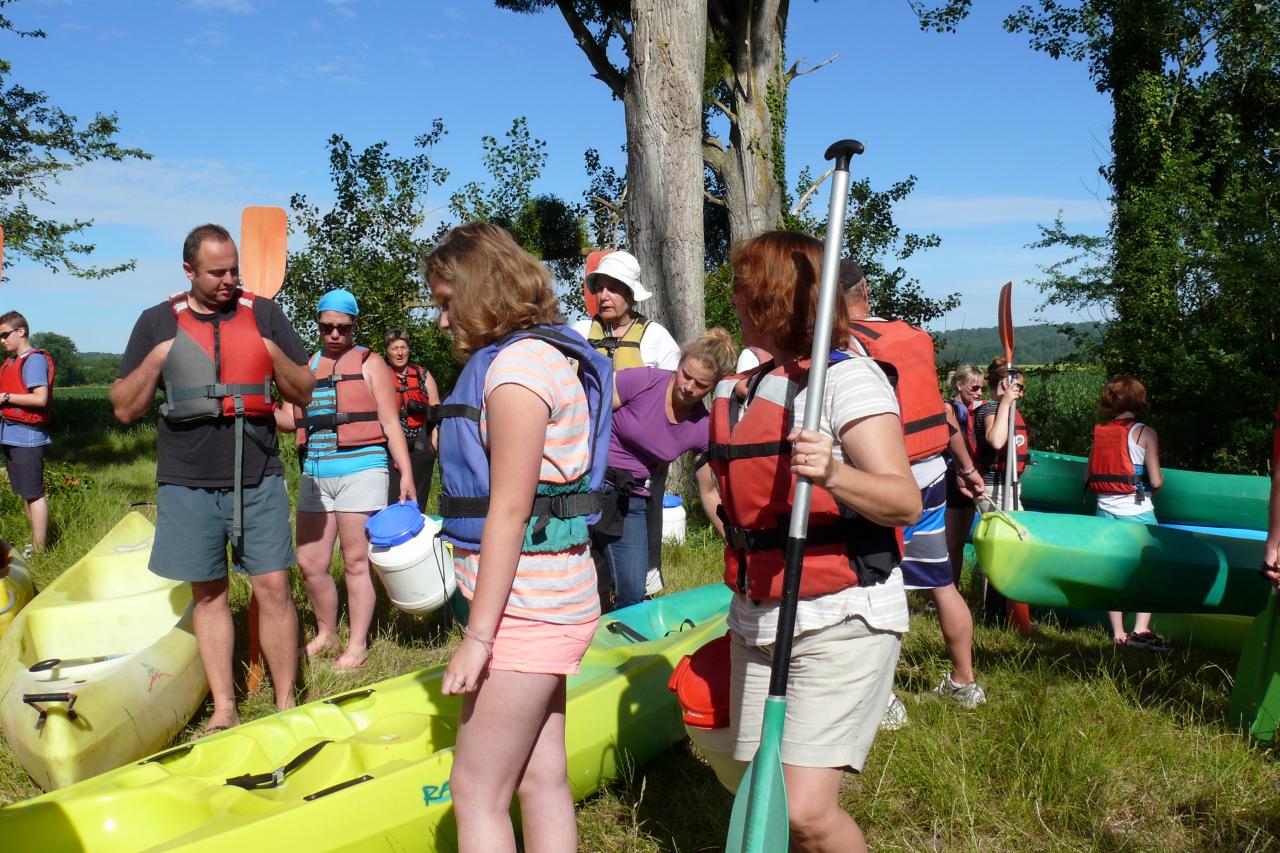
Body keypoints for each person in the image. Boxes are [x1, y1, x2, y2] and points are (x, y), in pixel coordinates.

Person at [701, 231, 921, 853]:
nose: (736, 302)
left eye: (744, 291)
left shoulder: (846, 382)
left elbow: (902, 499)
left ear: (770, 301)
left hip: (842, 616)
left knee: (803, 810)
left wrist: (833, 472)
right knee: (759, 794)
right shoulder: (756, 384)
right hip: (759, 616)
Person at [427, 222, 609, 853]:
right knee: (541, 778)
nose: (444, 321)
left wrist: (478, 639)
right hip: (551, 596)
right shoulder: (540, 355)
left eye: (448, 302)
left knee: (476, 791)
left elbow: (508, 511)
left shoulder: (518, 370)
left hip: (526, 609)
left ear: (480, 291)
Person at [110, 223, 315, 734]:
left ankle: (287, 702)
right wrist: (160, 355)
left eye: (235, 270)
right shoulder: (156, 321)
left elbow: (305, 390)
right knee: (209, 594)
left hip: (258, 471)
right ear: (188, 271)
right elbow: (124, 409)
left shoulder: (264, 313)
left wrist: (270, 351)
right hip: (186, 477)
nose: (229, 280)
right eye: (217, 272)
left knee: (273, 586)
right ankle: (225, 708)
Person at [839, 262, 986, 729]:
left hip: (886, 476)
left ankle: (884, 700)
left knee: (871, 583)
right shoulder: (913, 336)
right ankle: (966, 683)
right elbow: (941, 412)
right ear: (865, 289)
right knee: (941, 581)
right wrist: (965, 466)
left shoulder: (846, 344)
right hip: (932, 470)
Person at [274, 289, 415, 670]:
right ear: (318, 326)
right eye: (327, 327)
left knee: (355, 560)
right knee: (311, 561)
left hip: (363, 468)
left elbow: (389, 422)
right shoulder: (305, 365)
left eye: (343, 328)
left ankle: (358, 644)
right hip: (317, 472)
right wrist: (248, 399)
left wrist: (406, 474)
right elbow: (289, 419)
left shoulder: (370, 363)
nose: (335, 335)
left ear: (354, 326)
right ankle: (327, 632)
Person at [592, 329, 736, 610]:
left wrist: (735, 540)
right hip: (590, 483)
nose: (688, 387)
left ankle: (621, 649)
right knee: (586, 585)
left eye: (701, 385)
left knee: (633, 592)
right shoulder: (643, 381)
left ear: (714, 386)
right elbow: (586, 413)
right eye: (686, 375)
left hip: (631, 499)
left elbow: (708, 493)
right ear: (679, 363)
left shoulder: (700, 428)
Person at [572, 250, 680, 600]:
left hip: (638, 463)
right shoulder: (576, 333)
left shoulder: (656, 338)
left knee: (642, 538)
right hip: (583, 457)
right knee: (588, 541)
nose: (604, 295)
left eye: (614, 288)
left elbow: (674, 399)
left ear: (630, 294)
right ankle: (595, 604)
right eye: (599, 287)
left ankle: (641, 595)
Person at [1086, 375, 1168, 650]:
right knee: (1149, 570)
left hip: (1104, 512)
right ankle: (1141, 630)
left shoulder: (1100, 432)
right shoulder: (1146, 433)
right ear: (1138, 399)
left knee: (1111, 571)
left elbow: (1089, 476)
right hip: (1138, 512)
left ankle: (1118, 634)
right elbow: (1155, 481)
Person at [973, 357, 1030, 624]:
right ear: (1003, 386)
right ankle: (990, 612)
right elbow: (996, 440)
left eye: (1021, 388)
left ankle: (1007, 609)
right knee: (999, 548)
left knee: (1014, 547)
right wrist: (1006, 401)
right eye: (1016, 387)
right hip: (994, 487)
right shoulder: (990, 410)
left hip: (1012, 486)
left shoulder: (1010, 409)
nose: (1020, 392)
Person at [0, 311, 54, 556]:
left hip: (28, 435)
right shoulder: (12, 362)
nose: (2, 340)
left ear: (21, 331)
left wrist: (5, 397)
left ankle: (40, 551)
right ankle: (35, 542)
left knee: (33, 493)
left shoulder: (33, 361)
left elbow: (40, 398)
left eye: (5, 335)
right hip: (11, 434)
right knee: (24, 491)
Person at [383, 329, 440, 506]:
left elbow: (437, 412)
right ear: (387, 351)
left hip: (421, 446)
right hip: (390, 449)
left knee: (417, 502)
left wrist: (433, 446)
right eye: (394, 348)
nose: (400, 353)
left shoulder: (423, 374)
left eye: (403, 347)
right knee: (393, 500)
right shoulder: (381, 375)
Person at [944, 364, 986, 586]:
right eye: (975, 388)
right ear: (960, 385)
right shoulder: (949, 408)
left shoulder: (976, 410)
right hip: (951, 477)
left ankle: (954, 587)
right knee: (950, 541)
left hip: (969, 477)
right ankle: (940, 592)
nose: (979, 393)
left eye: (982, 388)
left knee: (959, 541)